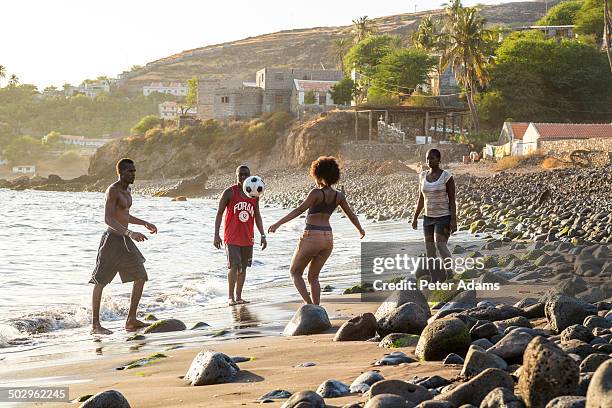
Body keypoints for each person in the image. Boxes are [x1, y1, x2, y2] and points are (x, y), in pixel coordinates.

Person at [268, 156, 365, 305]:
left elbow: (299, 210)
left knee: (295, 272)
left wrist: (278, 223)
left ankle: (310, 306)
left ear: (319, 175)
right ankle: (317, 307)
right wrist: (360, 230)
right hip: (328, 240)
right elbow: (351, 215)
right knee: (313, 277)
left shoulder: (316, 193)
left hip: (312, 236)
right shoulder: (339, 196)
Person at [89, 158, 158, 335]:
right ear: (121, 172)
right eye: (130, 171)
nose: (133, 174)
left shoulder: (128, 190)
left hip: (125, 241)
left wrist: (143, 223)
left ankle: (131, 320)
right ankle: (95, 325)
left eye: (134, 171)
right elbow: (108, 219)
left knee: (141, 276)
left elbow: (124, 215)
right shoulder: (113, 190)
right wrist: (130, 233)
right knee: (100, 281)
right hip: (112, 241)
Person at [214, 165, 267, 306]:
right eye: (240, 174)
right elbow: (219, 213)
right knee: (234, 266)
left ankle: (239, 297)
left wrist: (263, 235)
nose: (243, 177)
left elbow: (257, 215)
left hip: (247, 237)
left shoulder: (254, 193)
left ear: (250, 175)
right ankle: (230, 297)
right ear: (236, 176)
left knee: (243, 268)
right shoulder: (229, 192)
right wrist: (216, 235)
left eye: (246, 174)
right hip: (231, 237)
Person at [412, 148, 457, 282]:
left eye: (432, 158)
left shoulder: (447, 177)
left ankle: (450, 274)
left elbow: (452, 200)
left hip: (443, 216)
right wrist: (415, 218)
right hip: (428, 218)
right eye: (427, 158)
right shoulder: (422, 176)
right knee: (430, 250)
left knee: (440, 245)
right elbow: (421, 198)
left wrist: (453, 220)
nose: (429, 161)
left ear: (439, 160)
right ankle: (434, 279)